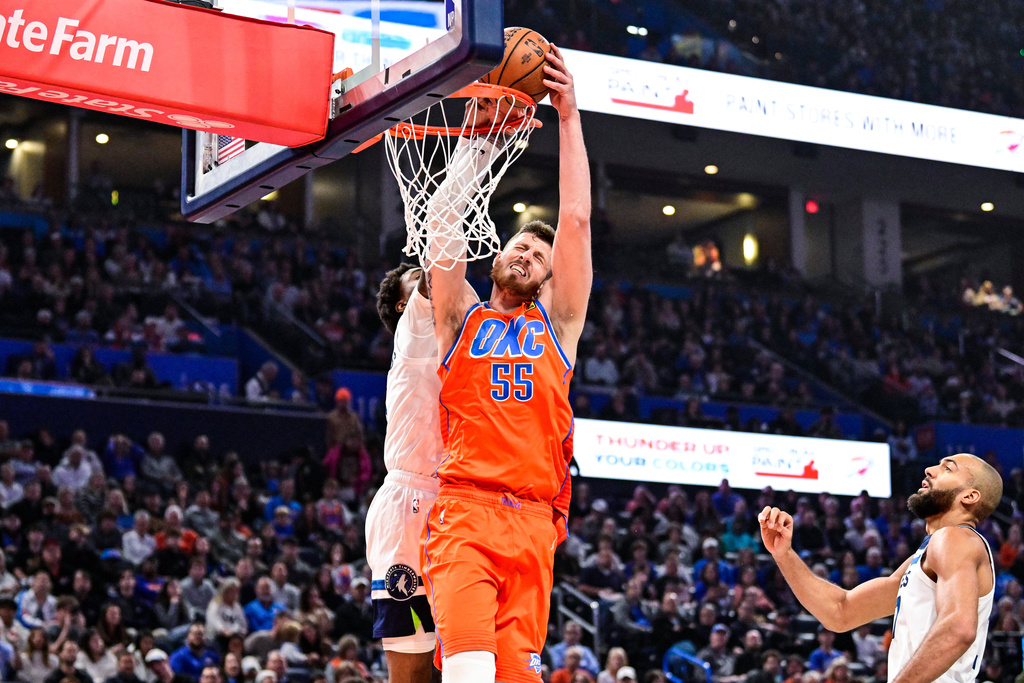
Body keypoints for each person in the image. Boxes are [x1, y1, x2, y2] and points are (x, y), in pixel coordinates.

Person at [422, 45, 591, 683]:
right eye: (520, 242)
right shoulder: (459, 319)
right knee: (467, 673)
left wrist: (569, 115)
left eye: (539, 257)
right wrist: (479, 138)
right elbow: (442, 222)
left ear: (549, 280)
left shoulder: (558, 327)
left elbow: (575, 219)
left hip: (534, 527)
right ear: (496, 254)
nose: (528, 253)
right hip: (465, 512)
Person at [759, 453, 1003, 683]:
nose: (930, 470)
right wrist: (784, 555)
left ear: (969, 496)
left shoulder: (955, 538)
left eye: (948, 468)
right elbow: (840, 611)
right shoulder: (926, 556)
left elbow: (958, 628)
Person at [366, 258, 480, 683]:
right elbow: (440, 272)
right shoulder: (413, 330)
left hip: (458, 501)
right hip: (411, 502)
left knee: (464, 661)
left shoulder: (466, 337)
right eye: (416, 281)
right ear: (404, 305)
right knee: (412, 668)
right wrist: (452, 203)